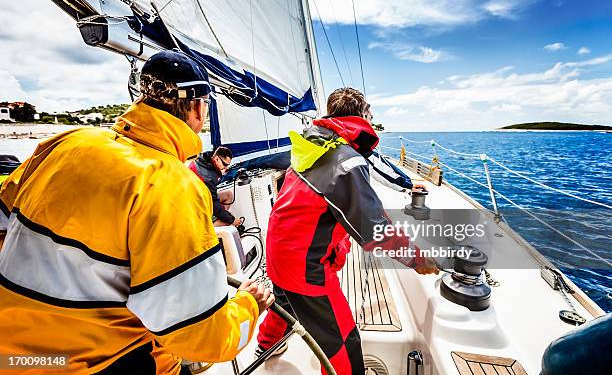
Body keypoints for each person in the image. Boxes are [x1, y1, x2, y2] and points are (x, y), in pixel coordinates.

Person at [0, 50, 273, 374]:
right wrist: (248, 306)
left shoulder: (63, 143)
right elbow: (202, 339)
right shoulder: (171, 186)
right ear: (200, 109)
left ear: (143, 96)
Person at [256, 87, 438, 374]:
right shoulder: (346, 160)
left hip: (279, 253)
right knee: (342, 341)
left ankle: (265, 345)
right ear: (363, 115)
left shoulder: (314, 144)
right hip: (305, 267)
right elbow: (374, 230)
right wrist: (416, 259)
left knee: (285, 303)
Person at [189, 146, 243, 227]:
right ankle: (211, 225)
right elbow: (213, 204)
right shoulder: (208, 177)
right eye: (225, 164)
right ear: (217, 158)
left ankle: (219, 218)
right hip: (194, 207)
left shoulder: (204, 160)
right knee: (228, 223)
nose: (226, 168)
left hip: (200, 198)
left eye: (228, 165)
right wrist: (231, 220)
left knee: (228, 195)